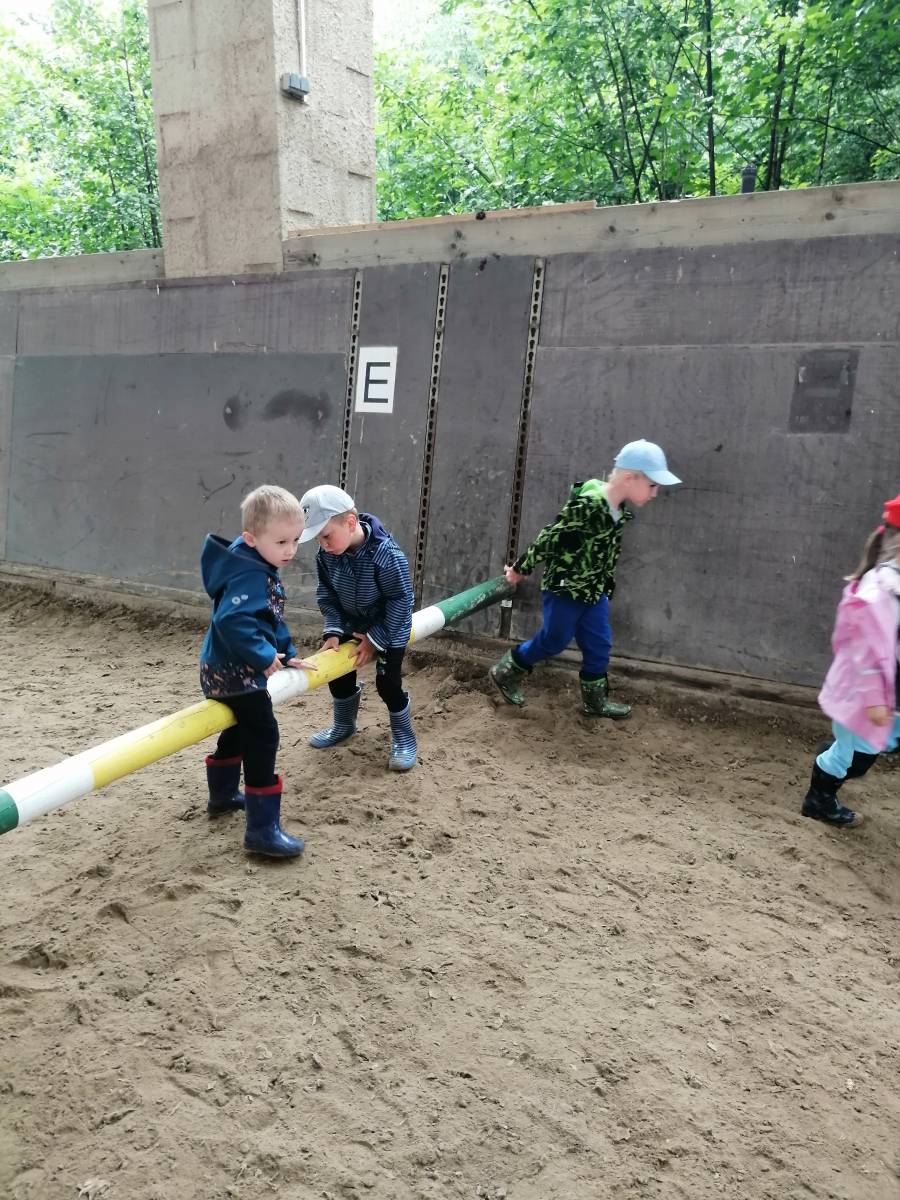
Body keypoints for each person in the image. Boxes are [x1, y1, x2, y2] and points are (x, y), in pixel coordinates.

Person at [489, 439, 682, 717]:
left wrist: (604, 585)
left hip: (593, 591)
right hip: (565, 590)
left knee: (599, 644)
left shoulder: (617, 510)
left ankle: (595, 703)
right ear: (630, 478)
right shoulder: (589, 505)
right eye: (652, 485)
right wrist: (521, 568)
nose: (655, 493)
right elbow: (550, 537)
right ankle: (506, 671)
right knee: (554, 641)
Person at [200, 484, 315, 858]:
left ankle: (222, 795)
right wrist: (265, 656)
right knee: (263, 734)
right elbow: (233, 621)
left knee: (239, 727)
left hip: (224, 667)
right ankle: (262, 830)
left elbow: (268, 617)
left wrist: (286, 653)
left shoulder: (252, 560)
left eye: (295, 540)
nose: (290, 550)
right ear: (251, 537)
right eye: (281, 542)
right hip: (235, 672)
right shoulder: (249, 574)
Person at [299, 484, 416, 771]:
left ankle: (404, 737)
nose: (323, 544)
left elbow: (402, 600)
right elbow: (327, 595)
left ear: (350, 523)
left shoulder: (386, 555)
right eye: (318, 539)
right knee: (338, 674)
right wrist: (333, 630)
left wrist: (375, 639)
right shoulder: (327, 556)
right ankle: (344, 725)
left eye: (326, 535)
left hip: (390, 626)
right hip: (351, 623)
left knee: (388, 684)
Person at [801, 495, 900, 828]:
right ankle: (818, 802)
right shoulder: (881, 590)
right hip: (866, 693)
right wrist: (874, 698)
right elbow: (865, 648)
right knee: (852, 759)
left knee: (871, 748)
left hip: (888, 692)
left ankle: (837, 752)